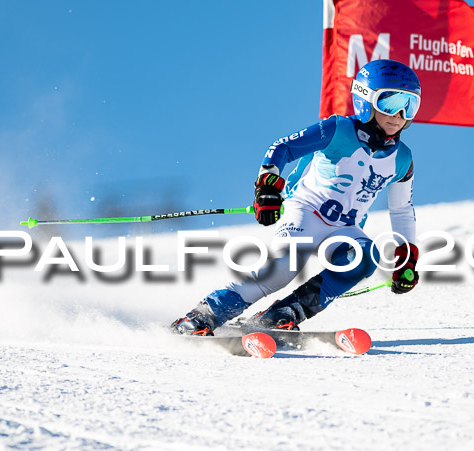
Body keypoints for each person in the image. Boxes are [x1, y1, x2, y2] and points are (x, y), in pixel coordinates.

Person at [171, 59, 421, 336]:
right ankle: (202, 316)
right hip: (305, 210)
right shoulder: (338, 129)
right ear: (365, 99)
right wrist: (268, 187)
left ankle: (281, 315)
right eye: (390, 103)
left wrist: (406, 257)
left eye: (409, 105)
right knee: (283, 268)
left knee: (362, 259)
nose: (398, 114)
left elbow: (401, 210)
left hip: (344, 228)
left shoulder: (403, 159)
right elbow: (282, 148)